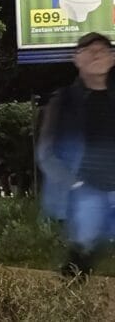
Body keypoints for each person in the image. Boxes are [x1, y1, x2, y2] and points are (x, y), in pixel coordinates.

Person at [37, 32, 115, 277]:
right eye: (89, 51)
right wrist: (73, 183)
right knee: (83, 252)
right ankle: (67, 303)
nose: (96, 55)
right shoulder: (65, 100)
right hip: (86, 190)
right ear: (76, 59)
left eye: (102, 50)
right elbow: (46, 152)